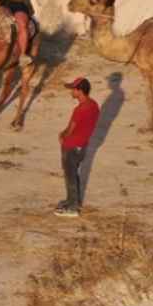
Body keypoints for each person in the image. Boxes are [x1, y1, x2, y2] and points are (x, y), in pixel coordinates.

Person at [55, 77, 99, 218]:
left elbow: (70, 129)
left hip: (72, 146)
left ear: (80, 91)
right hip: (83, 145)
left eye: (73, 89)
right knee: (74, 174)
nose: (71, 92)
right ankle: (73, 200)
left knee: (70, 176)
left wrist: (61, 135)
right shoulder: (94, 105)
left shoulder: (80, 109)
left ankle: (73, 207)